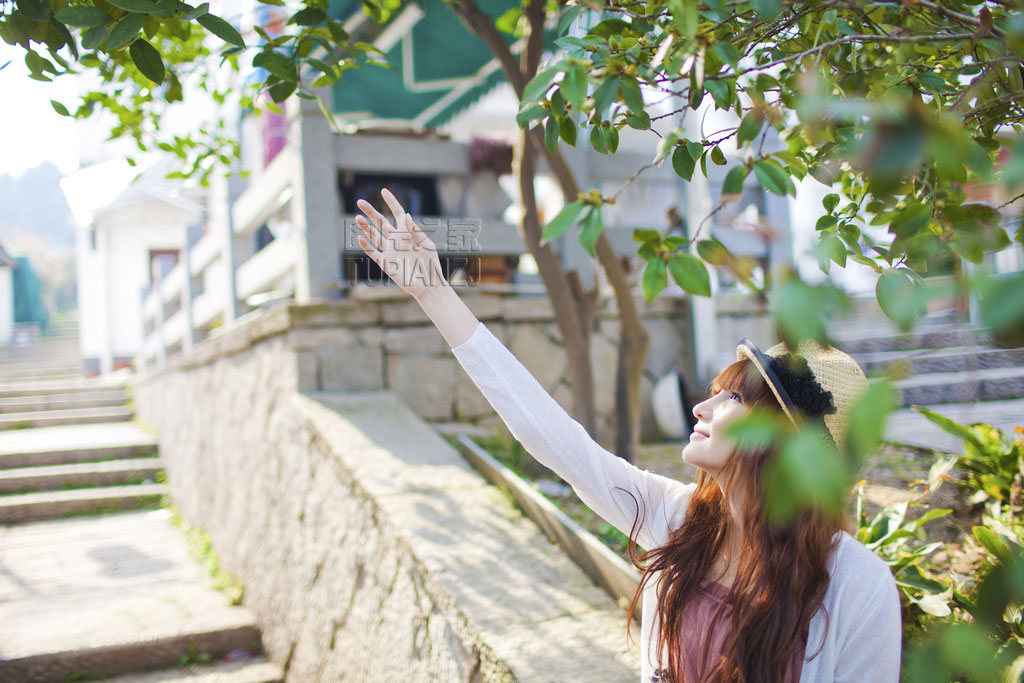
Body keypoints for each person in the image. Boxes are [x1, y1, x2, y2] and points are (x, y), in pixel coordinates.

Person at [355, 189, 902, 682]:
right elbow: (554, 441)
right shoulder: (679, 521)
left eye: (731, 398)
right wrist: (435, 295)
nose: (700, 405)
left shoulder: (857, 588)